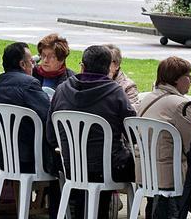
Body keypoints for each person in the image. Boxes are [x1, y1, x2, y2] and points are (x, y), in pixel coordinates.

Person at [46, 45, 136, 219]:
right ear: (107, 67)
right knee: (137, 165)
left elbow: (51, 135)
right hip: (107, 168)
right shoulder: (115, 92)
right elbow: (133, 134)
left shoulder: (62, 89)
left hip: (71, 166)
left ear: (82, 65)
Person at [0, 42, 59, 219]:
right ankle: (59, 213)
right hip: (30, 160)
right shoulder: (30, 84)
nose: (34, 65)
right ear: (22, 64)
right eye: (31, 61)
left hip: (5, 159)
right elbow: (49, 115)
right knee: (63, 163)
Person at [135, 57, 191, 219]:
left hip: (145, 173)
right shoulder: (181, 105)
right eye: (188, 76)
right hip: (171, 176)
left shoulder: (146, 98)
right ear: (177, 79)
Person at [106, 43, 140, 108]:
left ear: (117, 65)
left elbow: (132, 112)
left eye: (107, 62)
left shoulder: (128, 86)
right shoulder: (93, 79)